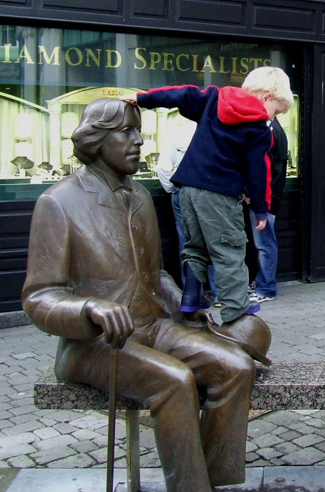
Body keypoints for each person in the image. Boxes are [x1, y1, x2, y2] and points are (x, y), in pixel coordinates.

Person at [22, 98, 272, 492]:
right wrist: (88, 307)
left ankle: (210, 479)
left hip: (153, 325)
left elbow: (154, 273)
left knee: (236, 366)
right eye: (127, 132)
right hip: (95, 343)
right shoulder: (57, 202)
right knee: (174, 379)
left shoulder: (140, 196)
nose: (139, 140)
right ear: (96, 140)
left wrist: (182, 303)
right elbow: (39, 296)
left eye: (138, 131)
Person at [126, 66, 294, 329]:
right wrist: (262, 209)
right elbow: (259, 171)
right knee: (230, 248)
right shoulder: (259, 129)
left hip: (187, 188)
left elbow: (182, 95)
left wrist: (144, 99)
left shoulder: (215, 99)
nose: (274, 118)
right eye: (277, 111)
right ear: (266, 97)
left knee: (195, 247)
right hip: (220, 193)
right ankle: (236, 310)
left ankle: (191, 299)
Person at [155, 123, 218, 306]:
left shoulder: (178, 131)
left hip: (183, 188)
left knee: (187, 241)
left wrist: (172, 188)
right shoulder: (215, 129)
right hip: (211, 190)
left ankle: (190, 294)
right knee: (213, 239)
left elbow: (163, 168)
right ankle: (219, 294)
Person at [249, 117, 289, 303]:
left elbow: (271, 171)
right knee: (264, 243)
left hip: (265, 199)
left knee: (264, 243)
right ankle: (263, 284)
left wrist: (261, 199)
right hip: (267, 198)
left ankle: (266, 287)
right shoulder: (275, 129)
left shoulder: (271, 130)